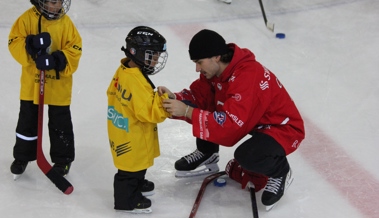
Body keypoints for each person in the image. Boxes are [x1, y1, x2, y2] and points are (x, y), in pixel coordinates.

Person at [159, 29, 305, 210]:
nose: (197, 68)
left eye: (199, 62)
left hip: (282, 128)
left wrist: (188, 111)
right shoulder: (214, 72)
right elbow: (199, 97)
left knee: (246, 156)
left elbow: (229, 125)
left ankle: (280, 171)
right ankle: (208, 153)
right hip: (255, 122)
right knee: (206, 105)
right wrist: (176, 99)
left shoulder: (246, 76)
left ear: (216, 57)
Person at [8, 0, 82, 179]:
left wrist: (56, 60)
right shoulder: (26, 19)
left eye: (58, 1)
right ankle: (22, 156)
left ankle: (63, 159)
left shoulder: (66, 24)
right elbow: (13, 41)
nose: (55, 6)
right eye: (51, 1)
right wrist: (30, 45)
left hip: (58, 86)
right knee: (27, 122)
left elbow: (75, 50)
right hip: (32, 85)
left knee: (60, 124)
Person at [107, 26, 170, 214]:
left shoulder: (125, 69)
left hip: (125, 130)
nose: (157, 60)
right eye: (153, 55)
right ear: (137, 53)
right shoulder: (136, 82)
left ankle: (138, 183)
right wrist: (165, 100)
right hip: (131, 138)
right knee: (129, 171)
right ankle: (127, 201)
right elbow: (151, 113)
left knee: (136, 167)